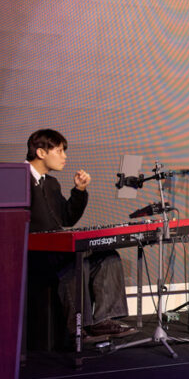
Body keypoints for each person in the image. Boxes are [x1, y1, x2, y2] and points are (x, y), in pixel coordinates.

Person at [27, 129, 135, 341]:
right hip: (35, 254)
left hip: (56, 249)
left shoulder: (51, 183)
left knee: (108, 257)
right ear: (41, 152)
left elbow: (67, 219)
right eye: (59, 151)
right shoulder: (18, 179)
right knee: (75, 261)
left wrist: (79, 191)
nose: (64, 156)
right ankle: (77, 328)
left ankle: (103, 321)